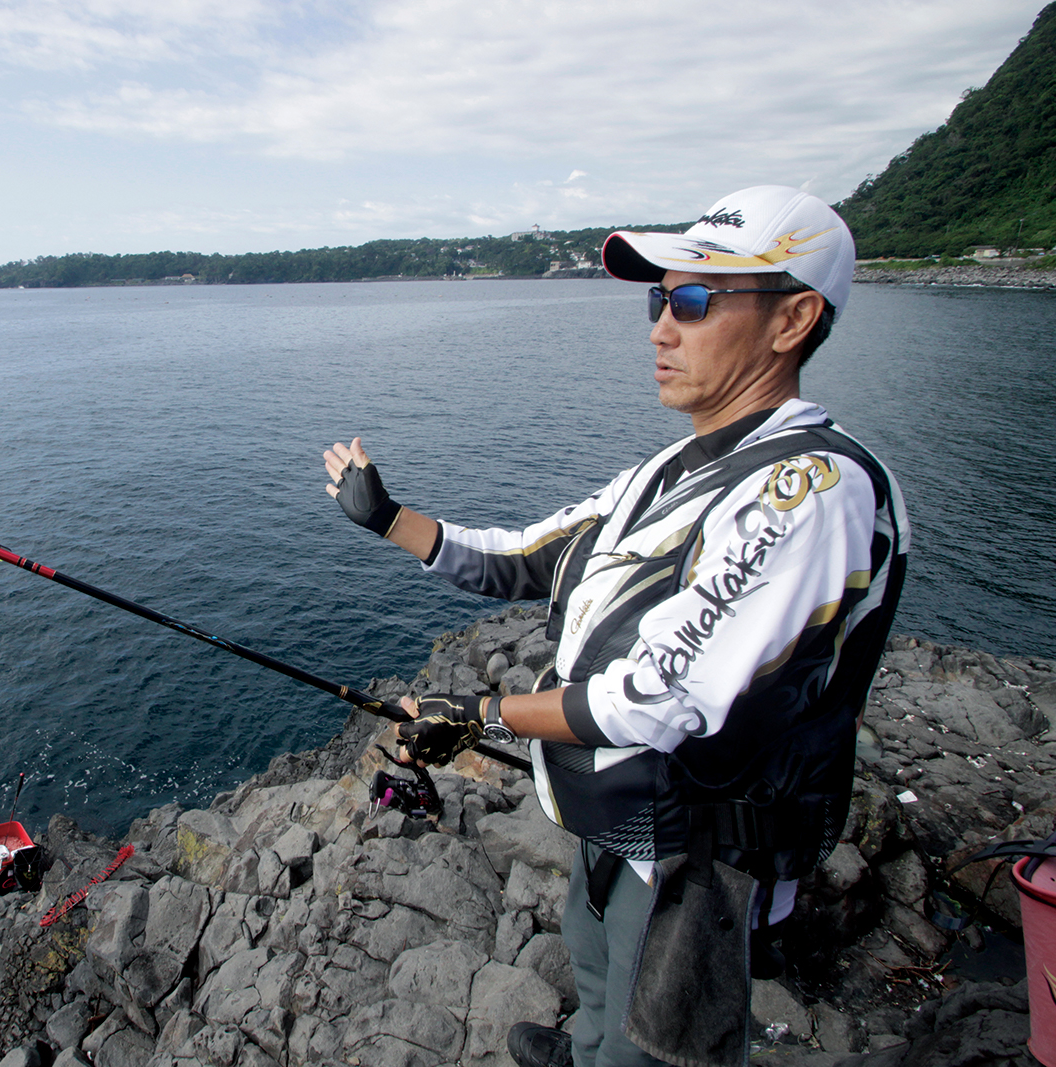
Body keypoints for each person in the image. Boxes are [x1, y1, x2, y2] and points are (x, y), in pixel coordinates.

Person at [321, 186, 909, 1067]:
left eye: (695, 300)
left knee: (653, 1042)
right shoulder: (670, 469)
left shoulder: (812, 494)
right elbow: (529, 555)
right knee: (593, 963)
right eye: (658, 299)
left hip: (696, 854)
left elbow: (657, 697)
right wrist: (389, 517)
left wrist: (478, 716)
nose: (660, 328)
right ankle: (586, 1040)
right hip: (618, 814)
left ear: (794, 320)